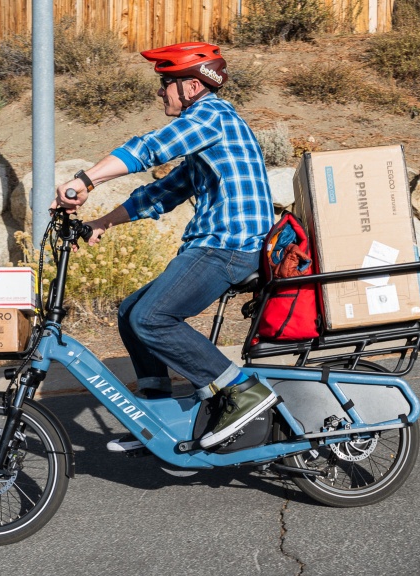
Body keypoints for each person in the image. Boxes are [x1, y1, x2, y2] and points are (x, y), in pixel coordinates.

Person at [51, 42, 277, 451]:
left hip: (229, 245)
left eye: (165, 83)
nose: (160, 92)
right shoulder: (206, 133)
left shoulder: (212, 115)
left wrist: (85, 180)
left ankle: (242, 389)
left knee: (153, 319)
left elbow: (149, 148)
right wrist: (104, 222)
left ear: (191, 87)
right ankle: (156, 412)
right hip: (215, 244)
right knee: (131, 311)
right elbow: (163, 193)